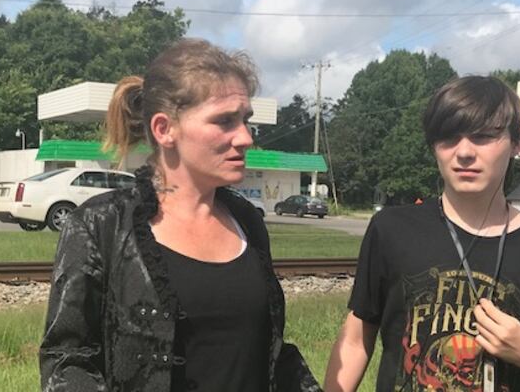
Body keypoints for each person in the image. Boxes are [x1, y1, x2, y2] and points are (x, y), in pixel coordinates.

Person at [40, 38, 321, 392]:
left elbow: (270, 353)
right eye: (225, 121)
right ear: (164, 129)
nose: (246, 137)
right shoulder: (101, 225)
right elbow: (66, 362)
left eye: (246, 120)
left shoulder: (247, 222)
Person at [324, 76, 520, 391]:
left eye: (482, 137)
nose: (464, 152)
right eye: (449, 138)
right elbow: (356, 340)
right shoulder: (391, 230)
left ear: (517, 144)